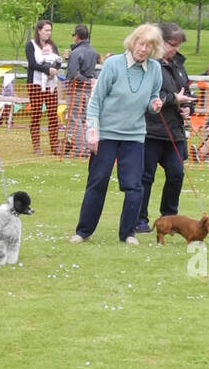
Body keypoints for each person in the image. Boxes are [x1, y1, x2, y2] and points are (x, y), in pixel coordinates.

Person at [71, 23, 165, 244]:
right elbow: (95, 102)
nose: (143, 49)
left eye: (149, 47)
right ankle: (83, 231)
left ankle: (128, 233)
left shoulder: (155, 70)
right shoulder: (113, 65)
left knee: (134, 187)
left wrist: (155, 104)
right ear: (133, 41)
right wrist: (92, 132)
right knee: (98, 182)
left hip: (134, 136)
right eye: (141, 43)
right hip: (106, 135)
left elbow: (152, 97)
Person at [137, 22, 194, 231]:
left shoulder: (179, 66)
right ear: (160, 41)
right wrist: (172, 99)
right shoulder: (149, 65)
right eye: (172, 44)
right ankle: (140, 219)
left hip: (175, 133)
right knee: (145, 177)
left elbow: (186, 92)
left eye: (178, 45)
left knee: (176, 174)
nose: (175, 49)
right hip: (151, 131)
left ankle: (169, 218)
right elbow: (146, 95)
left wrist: (188, 108)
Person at [25, 18, 62, 154]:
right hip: (35, 84)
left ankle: (55, 145)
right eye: (46, 30)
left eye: (50, 30)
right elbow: (33, 64)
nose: (48, 33)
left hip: (51, 85)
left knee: (52, 114)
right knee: (36, 114)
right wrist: (47, 70)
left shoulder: (53, 46)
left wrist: (54, 69)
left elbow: (58, 61)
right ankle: (37, 146)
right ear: (39, 31)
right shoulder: (31, 45)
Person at [63, 24, 98, 156]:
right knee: (84, 119)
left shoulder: (76, 52)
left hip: (76, 90)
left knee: (74, 119)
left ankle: (79, 149)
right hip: (88, 90)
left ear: (77, 36)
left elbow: (73, 74)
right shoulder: (93, 52)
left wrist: (83, 80)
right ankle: (86, 147)